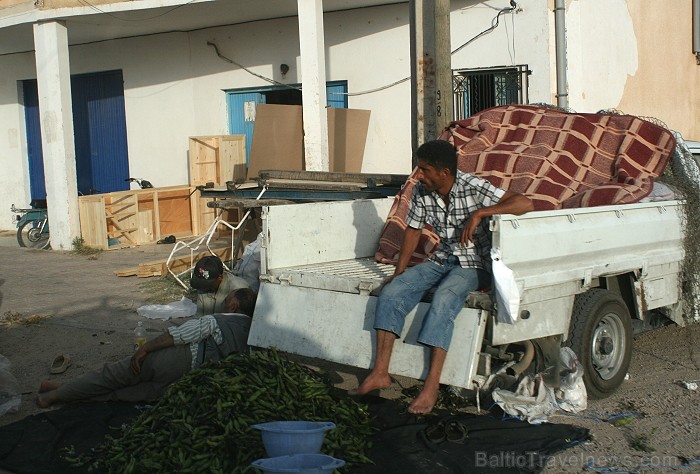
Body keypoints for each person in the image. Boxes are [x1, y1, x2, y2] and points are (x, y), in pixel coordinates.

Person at [350, 139, 534, 414]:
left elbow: (524, 203)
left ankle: (431, 386)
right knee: (392, 292)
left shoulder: (472, 186)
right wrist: (399, 273)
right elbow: (412, 230)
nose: (419, 175)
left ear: (444, 173)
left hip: (475, 265)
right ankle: (380, 373)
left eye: (424, 170)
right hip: (441, 259)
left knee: (444, 298)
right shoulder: (422, 191)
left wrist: (482, 213)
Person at [37, 288, 257, 408]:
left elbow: (183, 334)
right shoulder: (250, 334)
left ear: (234, 306)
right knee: (121, 395)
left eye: (227, 300)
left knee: (112, 376)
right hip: (188, 380)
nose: (223, 303)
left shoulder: (219, 320)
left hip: (176, 358)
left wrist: (146, 348)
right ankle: (65, 389)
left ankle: (52, 396)